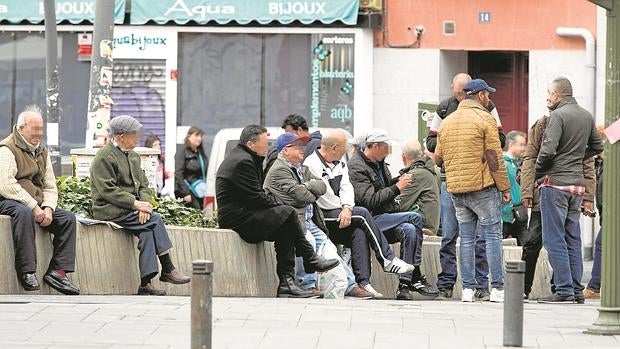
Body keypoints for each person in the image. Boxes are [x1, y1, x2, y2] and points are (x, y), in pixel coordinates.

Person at [216, 125, 339, 298]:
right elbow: (257, 198)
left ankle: (287, 284)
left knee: (285, 224)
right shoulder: (243, 161)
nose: (269, 147)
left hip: (245, 213)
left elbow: (319, 186)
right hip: (237, 218)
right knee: (287, 213)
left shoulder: (247, 157)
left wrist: (280, 207)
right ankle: (309, 259)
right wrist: (279, 206)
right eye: (265, 143)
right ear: (251, 144)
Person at [305, 129, 415, 299]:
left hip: (341, 211)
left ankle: (362, 283)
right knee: (362, 213)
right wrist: (346, 208)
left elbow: (346, 188)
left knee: (359, 231)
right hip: (322, 214)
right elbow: (324, 196)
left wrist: (347, 207)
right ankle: (387, 259)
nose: (348, 151)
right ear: (334, 147)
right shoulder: (312, 164)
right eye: (344, 147)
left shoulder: (340, 163)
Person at [90, 115, 191, 296]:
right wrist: (136, 204)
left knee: (147, 231)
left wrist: (143, 204)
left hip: (131, 209)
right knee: (156, 219)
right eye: (134, 134)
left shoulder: (134, 156)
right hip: (110, 210)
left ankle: (145, 284)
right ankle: (167, 267)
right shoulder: (104, 157)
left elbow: (144, 186)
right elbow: (107, 191)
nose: (138, 138)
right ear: (121, 136)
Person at [264, 132, 373, 299]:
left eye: (303, 145)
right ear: (286, 150)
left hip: (310, 221)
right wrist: (310, 190)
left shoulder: (302, 169)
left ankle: (350, 285)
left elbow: (322, 186)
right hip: (294, 223)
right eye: (298, 146)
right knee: (309, 241)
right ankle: (307, 285)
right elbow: (303, 197)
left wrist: (307, 187)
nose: (303, 149)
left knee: (330, 250)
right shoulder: (279, 170)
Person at [426, 73, 504, 301]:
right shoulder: (484, 117)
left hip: (455, 187)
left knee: (466, 238)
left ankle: (469, 289)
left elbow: (437, 157)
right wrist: (505, 188)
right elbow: (494, 155)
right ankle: (496, 288)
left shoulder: (449, 120)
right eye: (487, 94)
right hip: (481, 186)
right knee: (490, 236)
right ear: (480, 95)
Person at [535, 77, 603, 303]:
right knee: (573, 236)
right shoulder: (586, 115)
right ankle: (576, 290)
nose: (548, 97)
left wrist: (537, 173)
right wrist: (575, 157)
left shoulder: (557, 116)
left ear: (556, 95)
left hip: (556, 183)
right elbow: (597, 146)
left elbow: (547, 150)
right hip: (577, 186)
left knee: (553, 238)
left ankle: (563, 288)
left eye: (549, 93)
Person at [349, 128, 439, 300]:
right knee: (415, 217)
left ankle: (404, 285)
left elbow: (384, 189)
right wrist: (398, 188)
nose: (389, 151)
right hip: (369, 220)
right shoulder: (357, 166)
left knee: (409, 229)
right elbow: (369, 201)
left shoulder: (380, 163)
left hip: (385, 217)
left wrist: (396, 182)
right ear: (374, 146)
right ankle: (416, 272)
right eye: (385, 147)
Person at [0, 105, 79, 295]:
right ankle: (27, 271)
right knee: (23, 212)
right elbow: (5, 185)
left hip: (36, 203)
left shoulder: (42, 150)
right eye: (35, 129)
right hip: (7, 200)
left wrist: (48, 208)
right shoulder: (7, 148)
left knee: (67, 219)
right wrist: (35, 207)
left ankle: (57, 272)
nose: (39, 133)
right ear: (21, 128)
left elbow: (50, 185)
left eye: (41, 129)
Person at [519, 114, 595, 301]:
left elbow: (587, 164)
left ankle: (562, 288)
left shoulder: (576, 127)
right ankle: (524, 288)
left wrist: (588, 197)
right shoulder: (542, 124)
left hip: (559, 190)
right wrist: (527, 192)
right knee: (532, 243)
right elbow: (530, 158)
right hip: (542, 194)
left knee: (563, 240)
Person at [398, 139, 440, 236]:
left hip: (424, 227)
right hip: (428, 224)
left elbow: (400, 205)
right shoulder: (425, 171)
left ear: (403, 156)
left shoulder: (415, 175)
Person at [585, 125, 605, 299]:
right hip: (607, 217)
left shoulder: (608, 165)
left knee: (600, 245)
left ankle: (594, 287)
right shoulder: (600, 164)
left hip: (612, 218)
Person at [501, 131, 527, 245]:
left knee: (526, 246)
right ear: (511, 144)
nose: (524, 148)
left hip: (520, 213)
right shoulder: (501, 163)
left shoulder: (523, 165)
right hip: (504, 214)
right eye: (521, 145)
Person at [175, 126, 208, 209]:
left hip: (200, 190)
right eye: (196, 135)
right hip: (188, 190)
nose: (199, 138)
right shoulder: (182, 151)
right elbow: (179, 173)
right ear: (189, 136)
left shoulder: (200, 153)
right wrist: (185, 193)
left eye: (201, 136)